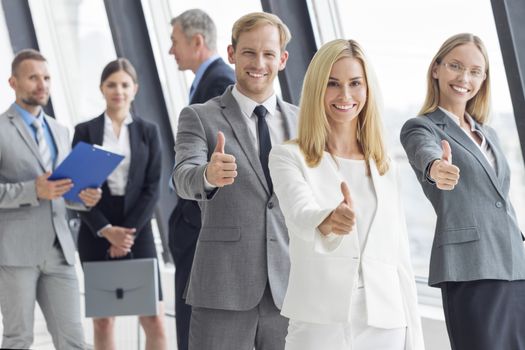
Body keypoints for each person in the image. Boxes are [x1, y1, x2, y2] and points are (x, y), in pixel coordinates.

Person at [269, 39, 425, 350]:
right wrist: (328, 220)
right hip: (319, 322)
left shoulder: (385, 166)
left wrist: (415, 341)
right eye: (332, 84)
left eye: (355, 83)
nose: (345, 95)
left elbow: (400, 260)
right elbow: (300, 213)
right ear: (316, 89)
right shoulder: (289, 157)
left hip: (385, 321)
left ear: (367, 89)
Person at [172, 12, 298, 350]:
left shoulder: (303, 122)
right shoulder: (199, 116)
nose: (259, 63)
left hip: (291, 290)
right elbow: (183, 176)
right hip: (223, 289)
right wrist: (208, 176)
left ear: (282, 60)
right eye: (248, 52)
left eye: (269, 54)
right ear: (231, 55)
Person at [400, 33, 525, 350]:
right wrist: (435, 167)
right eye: (455, 66)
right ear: (436, 69)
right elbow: (424, 152)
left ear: (483, 79)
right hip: (470, 265)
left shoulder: (489, 133)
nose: (464, 78)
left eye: (475, 71)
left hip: (514, 264)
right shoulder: (421, 126)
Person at [0, 49, 101, 349]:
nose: (42, 84)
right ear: (13, 82)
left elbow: (63, 189)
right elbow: (39, 188)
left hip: (60, 250)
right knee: (19, 339)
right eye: (33, 78)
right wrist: (34, 190)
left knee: (74, 341)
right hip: (16, 253)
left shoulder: (59, 130)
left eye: (46, 77)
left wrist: (84, 197)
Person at [72, 58, 166, 350]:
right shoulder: (85, 131)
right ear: (102, 88)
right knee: (103, 320)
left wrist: (125, 234)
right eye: (112, 84)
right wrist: (106, 230)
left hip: (137, 231)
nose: (118, 91)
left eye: (125, 85)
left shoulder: (148, 132)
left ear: (135, 89)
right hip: (96, 230)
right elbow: (77, 188)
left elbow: (152, 188)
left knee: (154, 319)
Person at [168, 9, 235, 350]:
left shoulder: (219, 84)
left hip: (201, 229)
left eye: (174, 42)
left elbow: (221, 162)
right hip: (194, 226)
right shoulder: (207, 83)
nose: (170, 51)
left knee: (195, 332)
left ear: (197, 42)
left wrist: (189, 218)